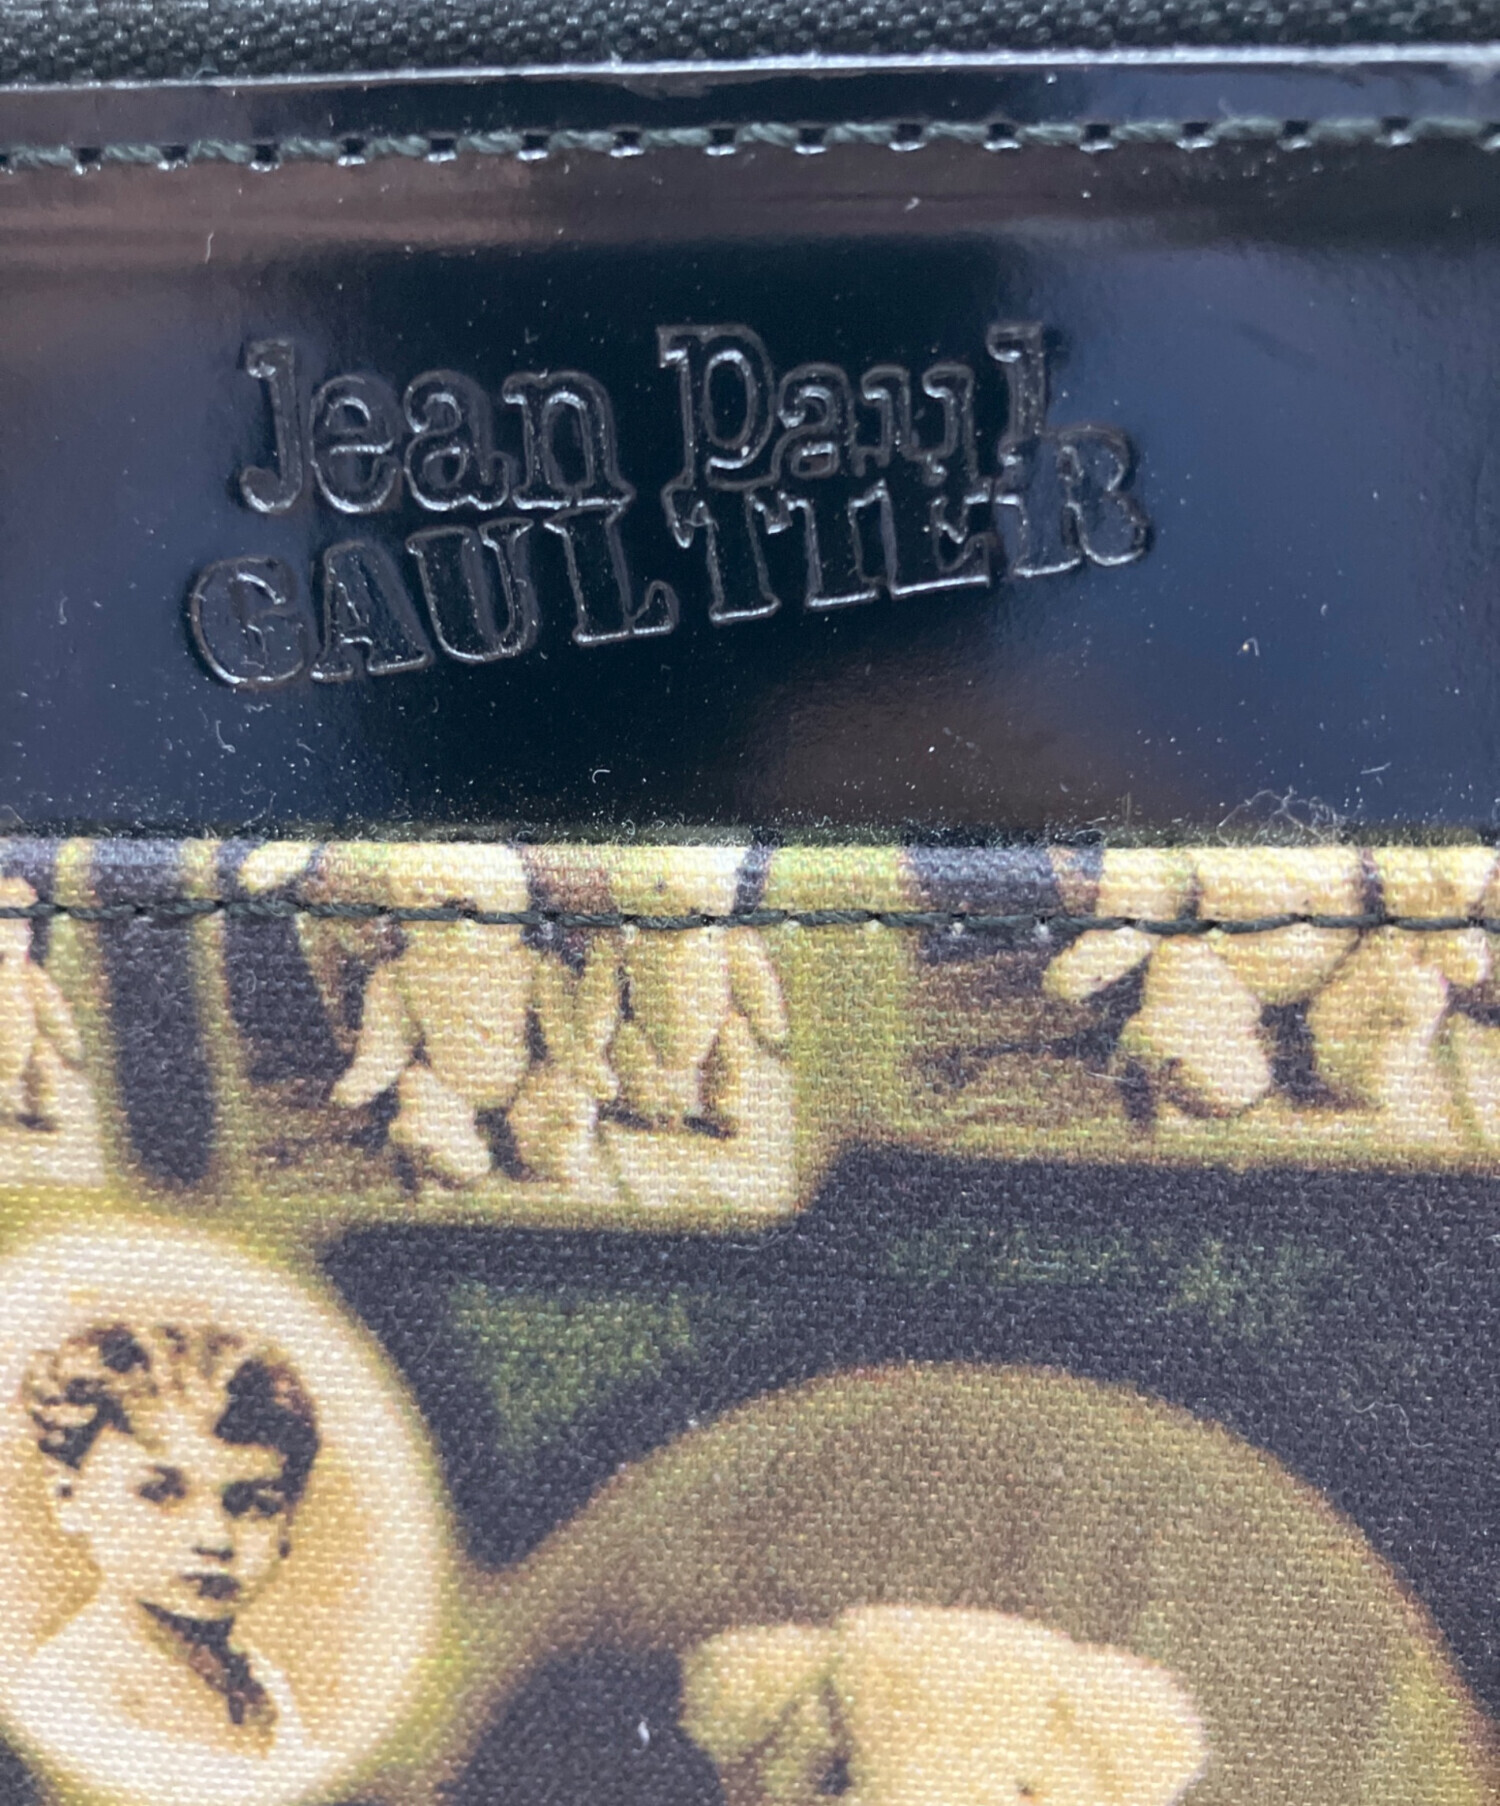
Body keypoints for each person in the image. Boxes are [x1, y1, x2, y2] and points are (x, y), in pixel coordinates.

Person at [4, 1321, 322, 1799]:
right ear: (68, 1498)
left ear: (289, 1521)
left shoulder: (263, 1683)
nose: (215, 1539)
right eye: (160, 1493)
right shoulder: (68, 1701)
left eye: (254, 1503)